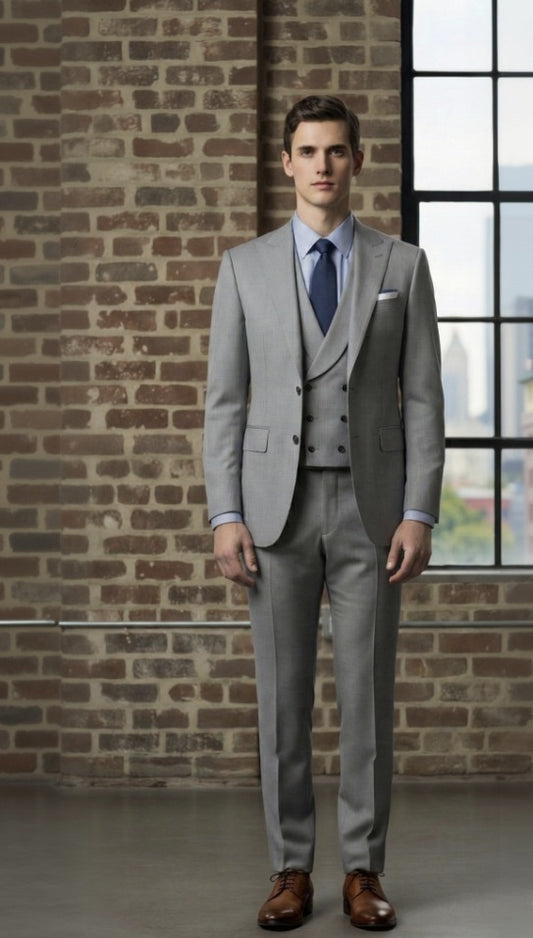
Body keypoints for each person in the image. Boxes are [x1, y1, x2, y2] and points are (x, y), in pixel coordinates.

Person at [203, 95, 444, 931]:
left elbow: (421, 400)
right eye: (306, 151)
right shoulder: (242, 267)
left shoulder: (400, 267)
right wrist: (223, 512)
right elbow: (224, 404)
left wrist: (418, 510)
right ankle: (289, 868)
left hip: (371, 513)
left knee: (367, 697)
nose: (320, 166)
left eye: (335, 151)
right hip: (273, 513)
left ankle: (364, 871)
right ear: (285, 162)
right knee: (283, 701)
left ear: (356, 161)